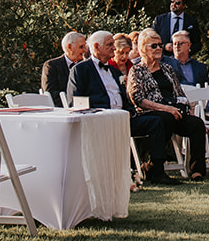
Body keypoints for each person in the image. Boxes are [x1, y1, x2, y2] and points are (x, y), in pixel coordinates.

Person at [70, 30, 173, 180]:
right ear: (97, 47)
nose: (114, 48)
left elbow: (126, 98)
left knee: (156, 122)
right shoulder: (80, 70)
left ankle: (156, 170)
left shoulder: (113, 71)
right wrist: (98, 114)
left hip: (123, 119)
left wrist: (130, 111)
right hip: (100, 121)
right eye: (110, 44)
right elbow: (76, 102)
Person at [127, 29, 208, 181]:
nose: (159, 48)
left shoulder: (167, 69)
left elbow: (180, 94)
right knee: (165, 118)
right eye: (154, 46)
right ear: (143, 48)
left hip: (173, 113)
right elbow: (137, 99)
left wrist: (189, 113)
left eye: (160, 45)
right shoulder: (136, 70)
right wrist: (165, 108)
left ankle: (197, 170)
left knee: (197, 124)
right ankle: (153, 165)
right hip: (151, 113)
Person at [40, 31, 88, 99]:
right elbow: (50, 93)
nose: (85, 50)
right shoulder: (51, 66)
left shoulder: (85, 66)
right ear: (69, 47)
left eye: (85, 46)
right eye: (81, 47)